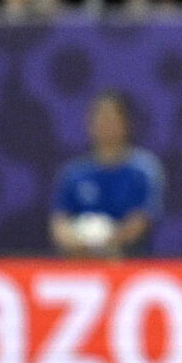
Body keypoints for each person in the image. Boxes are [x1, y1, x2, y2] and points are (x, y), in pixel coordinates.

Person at [50, 92, 166, 256]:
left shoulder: (144, 170)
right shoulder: (74, 173)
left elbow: (142, 220)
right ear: (89, 124)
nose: (105, 125)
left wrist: (105, 243)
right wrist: (78, 243)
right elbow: (59, 222)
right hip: (79, 262)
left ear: (125, 123)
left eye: (111, 119)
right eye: (99, 118)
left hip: (128, 262)